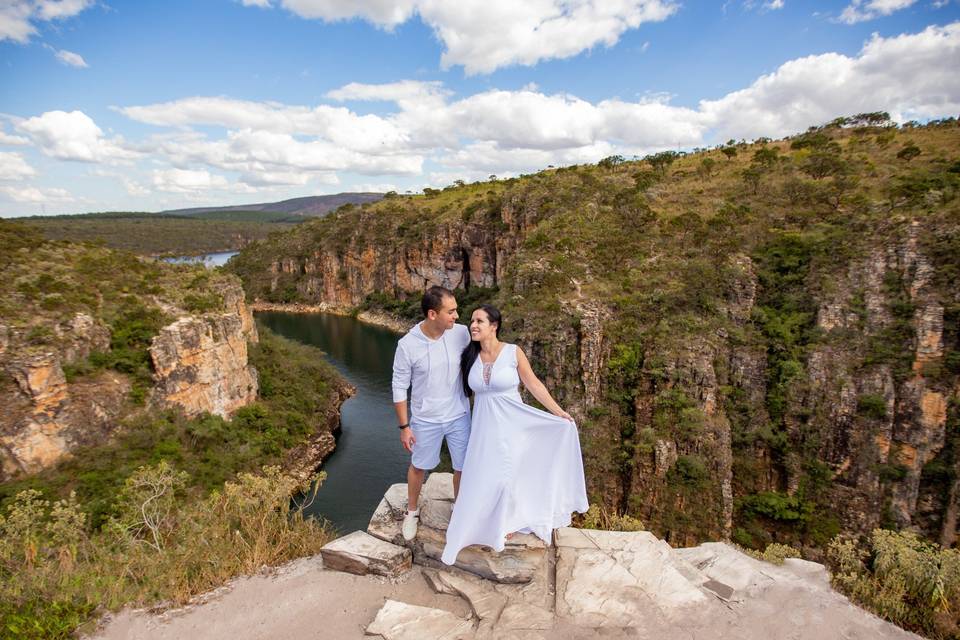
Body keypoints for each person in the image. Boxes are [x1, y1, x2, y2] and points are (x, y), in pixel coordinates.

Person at [441, 304, 588, 565]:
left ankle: (508, 521)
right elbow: (459, 392)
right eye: (472, 321)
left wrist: (558, 412)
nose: (473, 325)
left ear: (494, 326)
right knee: (486, 473)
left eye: (479, 321)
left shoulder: (512, 352)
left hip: (512, 422)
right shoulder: (469, 356)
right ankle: (487, 519)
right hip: (483, 425)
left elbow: (533, 384)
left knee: (507, 472)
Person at [392, 286, 472, 541]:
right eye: (451, 311)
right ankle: (412, 512)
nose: (457, 316)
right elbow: (399, 385)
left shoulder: (461, 334)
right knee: (418, 466)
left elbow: (485, 355)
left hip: (459, 414)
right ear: (432, 314)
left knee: (463, 466)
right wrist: (404, 427)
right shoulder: (407, 345)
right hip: (426, 419)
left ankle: (460, 510)